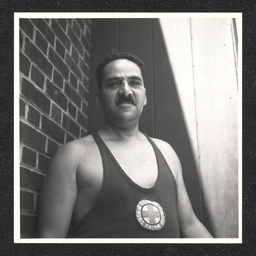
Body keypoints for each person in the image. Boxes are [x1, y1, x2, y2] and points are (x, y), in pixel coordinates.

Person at [37, 52, 213, 238]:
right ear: (99, 98)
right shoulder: (73, 156)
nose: (126, 91)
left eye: (135, 83)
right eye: (114, 84)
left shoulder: (166, 152)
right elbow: (50, 239)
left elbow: (190, 224)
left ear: (144, 97)